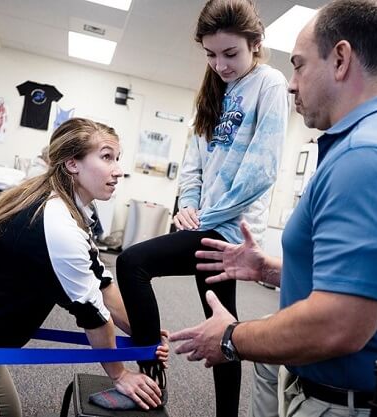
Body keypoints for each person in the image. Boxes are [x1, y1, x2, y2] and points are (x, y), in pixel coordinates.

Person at [169, 1, 377, 416]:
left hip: (342, 403)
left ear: (341, 60)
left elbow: (338, 325)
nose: (290, 84)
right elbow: (374, 282)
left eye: (299, 66)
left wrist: (230, 338)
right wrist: (269, 269)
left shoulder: (368, 157)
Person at [0, 118, 167, 417]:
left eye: (117, 158)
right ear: (72, 164)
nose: (118, 170)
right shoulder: (57, 222)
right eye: (106, 157)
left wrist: (146, 335)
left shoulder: (72, 210)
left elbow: (104, 285)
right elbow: (94, 314)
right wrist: (120, 374)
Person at [116, 1, 289, 416]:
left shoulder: (270, 84)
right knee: (221, 327)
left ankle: (150, 384)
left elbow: (261, 171)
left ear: (255, 43)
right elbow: (193, 165)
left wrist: (203, 220)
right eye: (211, 55)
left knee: (131, 264)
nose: (220, 65)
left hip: (230, 232)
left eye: (230, 54)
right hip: (205, 224)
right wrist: (187, 208)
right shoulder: (211, 93)